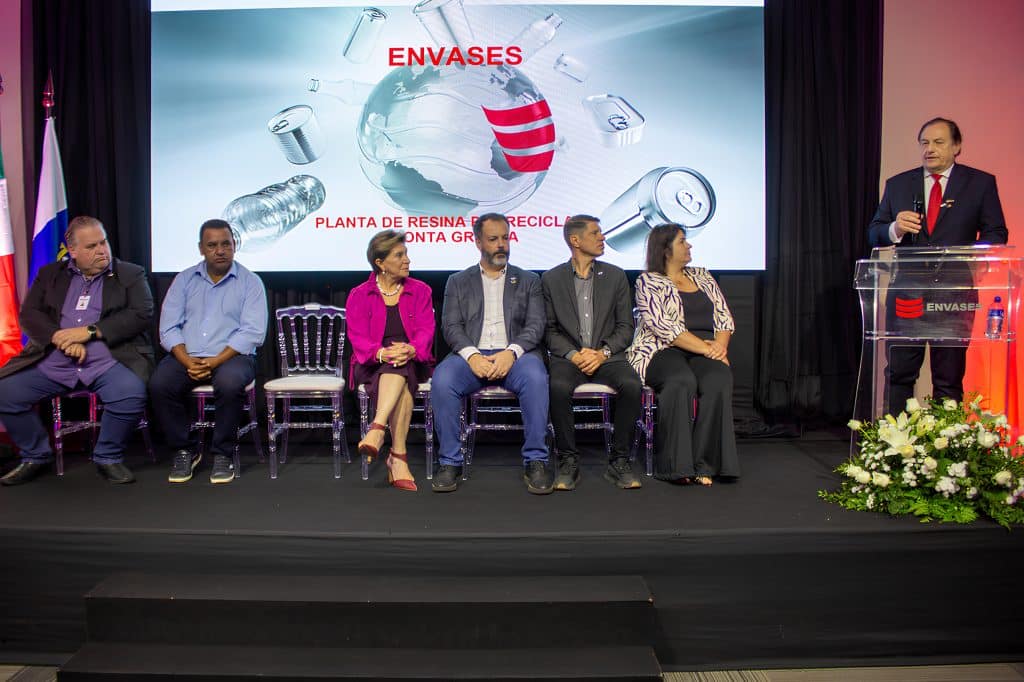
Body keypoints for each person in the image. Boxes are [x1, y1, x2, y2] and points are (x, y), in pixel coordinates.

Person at [0, 216, 153, 485]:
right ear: (73, 251)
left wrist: (89, 332)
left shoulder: (130, 273)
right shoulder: (50, 274)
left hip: (108, 359)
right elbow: (30, 314)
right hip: (55, 360)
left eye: (103, 242)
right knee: (5, 393)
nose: (101, 251)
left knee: (130, 394)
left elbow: (141, 314)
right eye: (92, 246)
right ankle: (35, 455)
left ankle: (108, 457)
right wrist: (59, 337)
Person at [867, 117, 1008, 409]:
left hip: (953, 294)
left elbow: (997, 233)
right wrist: (895, 228)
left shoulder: (979, 183)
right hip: (907, 295)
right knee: (899, 373)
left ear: (956, 147)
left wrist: (971, 252)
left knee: (948, 376)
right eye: (925, 143)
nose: (929, 149)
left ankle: (944, 448)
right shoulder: (898, 184)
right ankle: (896, 445)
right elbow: (875, 232)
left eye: (938, 142)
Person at [430, 213, 552, 494]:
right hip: (472, 355)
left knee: (536, 378)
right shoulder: (458, 281)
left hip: (515, 356)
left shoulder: (529, 280)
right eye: (494, 239)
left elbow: (536, 325)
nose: (502, 245)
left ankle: (536, 460)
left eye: (505, 238)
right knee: (442, 380)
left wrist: (512, 352)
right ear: (478, 242)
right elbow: (450, 326)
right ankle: (450, 461)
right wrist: (472, 356)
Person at [149, 219, 267, 485]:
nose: (220, 250)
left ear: (235, 245)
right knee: (159, 384)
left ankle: (222, 453)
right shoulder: (184, 280)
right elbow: (168, 328)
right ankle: (184, 449)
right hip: (187, 356)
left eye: (226, 244)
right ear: (201, 248)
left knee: (228, 382)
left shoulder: (250, 282)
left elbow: (252, 333)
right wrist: (187, 360)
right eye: (212, 245)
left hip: (232, 357)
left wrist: (214, 362)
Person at [628, 223, 738, 485]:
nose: (689, 246)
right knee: (681, 380)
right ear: (666, 249)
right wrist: (710, 349)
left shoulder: (702, 276)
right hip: (661, 349)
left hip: (704, 349)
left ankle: (706, 464)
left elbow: (724, 318)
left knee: (718, 379)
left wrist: (719, 348)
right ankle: (675, 466)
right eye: (682, 241)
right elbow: (665, 327)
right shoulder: (648, 281)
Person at [542, 215, 642, 490]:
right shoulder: (551, 279)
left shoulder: (615, 275)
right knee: (557, 386)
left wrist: (603, 353)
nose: (603, 237)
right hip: (570, 357)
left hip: (608, 356)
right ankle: (568, 461)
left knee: (632, 385)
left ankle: (619, 461)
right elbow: (549, 330)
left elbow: (625, 326)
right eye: (596, 233)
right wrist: (574, 355)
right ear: (575, 240)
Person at [346, 230, 435, 491]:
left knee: (402, 366)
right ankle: (398, 458)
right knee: (399, 372)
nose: (407, 259)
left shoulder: (421, 290)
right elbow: (358, 337)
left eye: (406, 253)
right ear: (380, 263)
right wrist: (382, 353)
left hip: (412, 359)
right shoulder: (359, 294)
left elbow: (426, 330)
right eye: (399, 255)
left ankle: (377, 429)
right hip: (371, 363)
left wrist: (411, 348)